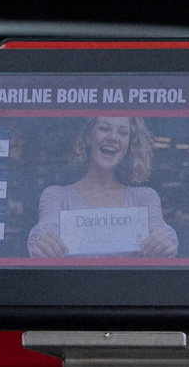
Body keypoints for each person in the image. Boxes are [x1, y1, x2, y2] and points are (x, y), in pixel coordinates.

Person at [25, 110, 179, 258]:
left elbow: (162, 230)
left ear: (129, 144)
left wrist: (165, 242)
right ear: (88, 137)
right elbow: (44, 229)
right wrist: (41, 242)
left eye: (123, 132)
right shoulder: (57, 196)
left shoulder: (143, 197)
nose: (113, 137)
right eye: (104, 128)